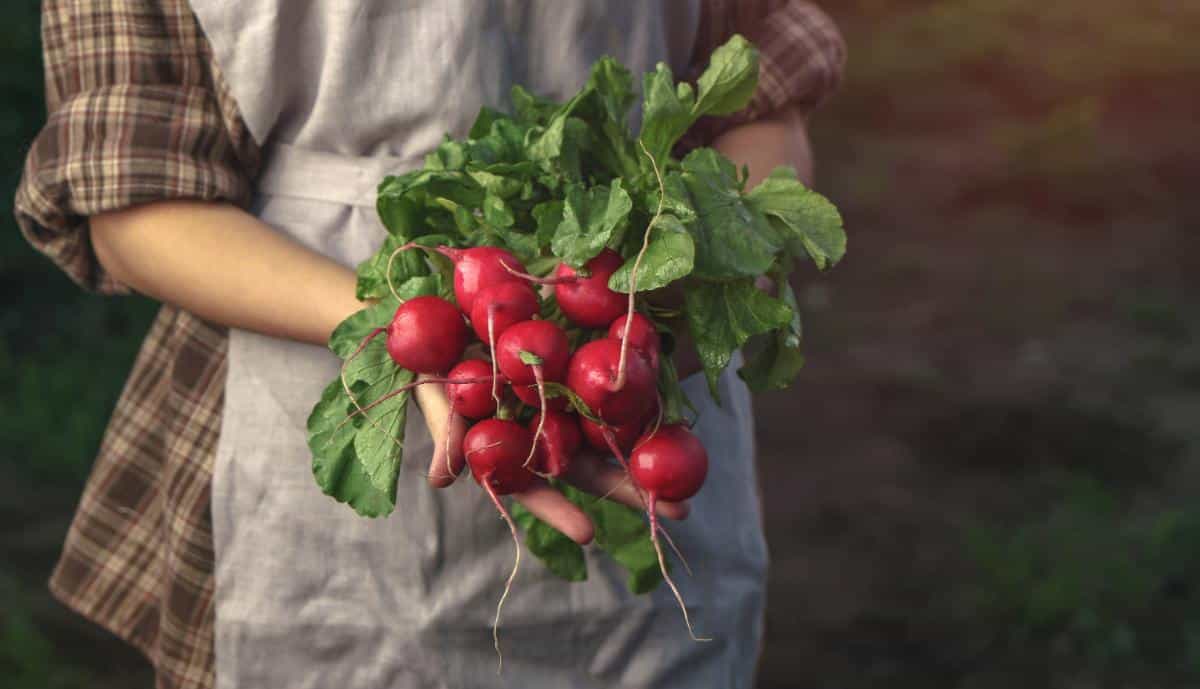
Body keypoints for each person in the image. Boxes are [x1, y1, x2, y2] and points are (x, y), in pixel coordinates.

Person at [15, 1, 845, 687]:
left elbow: (762, 94)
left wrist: (702, 288)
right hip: (292, 347)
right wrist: (408, 324)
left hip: (633, 352)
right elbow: (127, 199)